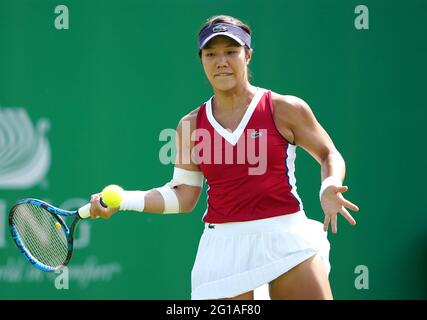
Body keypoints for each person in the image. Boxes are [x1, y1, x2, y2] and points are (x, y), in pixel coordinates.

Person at [89, 15, 359, 300]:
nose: (221, 61)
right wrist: (124, 201)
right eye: (211, 53)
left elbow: (328, 153)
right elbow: (183, 195)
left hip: (285, 235)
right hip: (222, 250)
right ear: (202, 59)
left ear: (248, 55)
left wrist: (329, 184)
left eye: (231, 51)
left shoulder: (284, 108)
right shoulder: (190, 125)